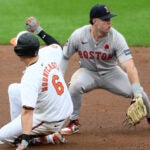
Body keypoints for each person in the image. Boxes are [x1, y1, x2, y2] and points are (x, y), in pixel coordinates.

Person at [25, 4, 150, 136]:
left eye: (110, 19)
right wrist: (60, 77)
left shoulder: (116, 38)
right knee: (74, 86)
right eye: (105, 19)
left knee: (141, 93)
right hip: (87, 72)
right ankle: (74, 121)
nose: (109, 22)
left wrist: (136, 93)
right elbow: (64, 55)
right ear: (95, 21)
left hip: (111, 73)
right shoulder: (79, 35)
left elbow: (129, 66)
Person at [0, 31, 73, 149]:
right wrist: (39, 30)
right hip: (63, 108)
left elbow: (27, 111)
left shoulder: (30, 76)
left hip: (51, 120)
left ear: (19, 52)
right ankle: (21, 129)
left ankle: (46, 137)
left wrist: (25, 139)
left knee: (3, 136)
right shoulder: (49, 52)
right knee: (14, 89)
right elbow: (57, 45)